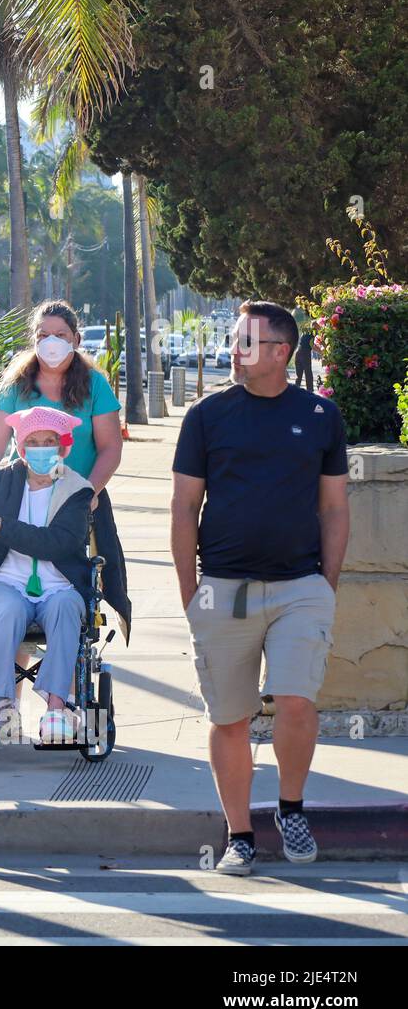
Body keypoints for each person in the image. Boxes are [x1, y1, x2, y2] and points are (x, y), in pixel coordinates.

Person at [172, 301, 350, 876]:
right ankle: (240, 835)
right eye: (234, 338)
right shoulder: (206, 416)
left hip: (300, 587)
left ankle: (291, 809)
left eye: (246, 341)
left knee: (295, 701)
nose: (234, 349)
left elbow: (334, 508)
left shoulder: (321, 416)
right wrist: (190, 591)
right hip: (223, 590)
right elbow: (184, 507)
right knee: (229, 717)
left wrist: (325, 586)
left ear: (281, 352)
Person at [0, 300, 131, 640]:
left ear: (76, 339)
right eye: (43, 335)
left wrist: (89, 493)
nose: (51, 342)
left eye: (60, 335)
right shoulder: (16, 385)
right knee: (7, 582)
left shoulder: (95, 385)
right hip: (23, 497)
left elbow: (111, 448)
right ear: (34, 339)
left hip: (78, 500)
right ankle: (9, 668)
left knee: (72, 584)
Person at [0, 407, 93, 745]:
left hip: (59, 586)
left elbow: (57, 543)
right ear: (22, 447)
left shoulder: (77, 490)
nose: (42, 448)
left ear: (63, 447)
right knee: (9, 610)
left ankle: (57, 711)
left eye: (49, 441)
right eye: (34, 441)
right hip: (6, 583)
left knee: (66, 607)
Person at [292, 305, 314, 391]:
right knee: (307, 372)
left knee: (299, 374)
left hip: (299, 351)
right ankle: (310, 391)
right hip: (305, 352)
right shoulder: (312, 331)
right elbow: (313, 345)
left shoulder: (306, 329)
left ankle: (296, 390)